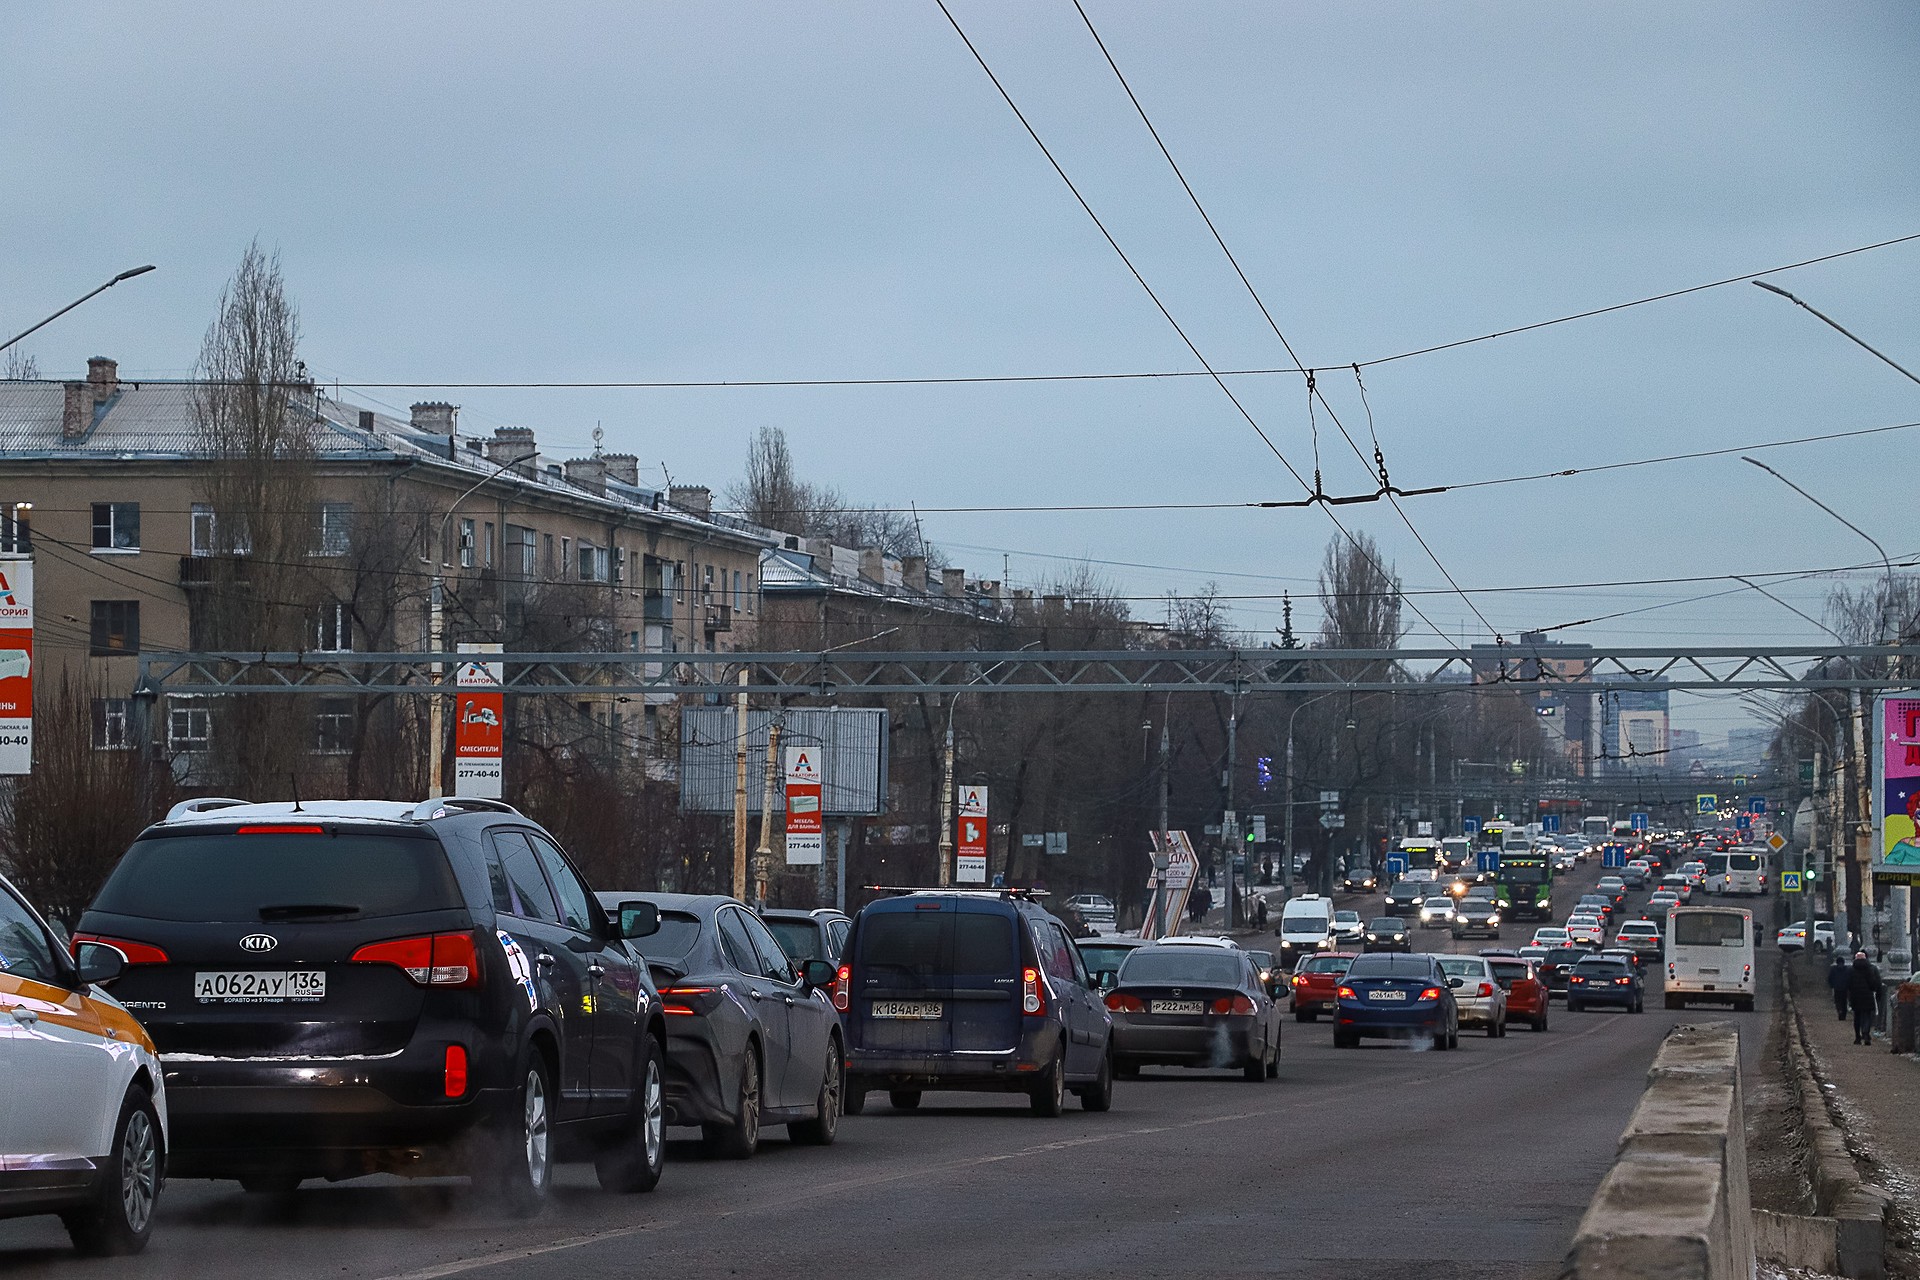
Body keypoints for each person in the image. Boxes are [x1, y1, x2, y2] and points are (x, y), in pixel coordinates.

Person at [1847, 950, 1883, 1045]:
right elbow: (1876, 983)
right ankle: (1866, 1034)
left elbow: (1848, 984)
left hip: (1855, 996)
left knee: (1857, 1016)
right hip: (1867, 995)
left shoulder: (1851, 969)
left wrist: (1849, 996)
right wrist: (1878, 993)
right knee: (1866, 1016)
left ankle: (1857, 1037)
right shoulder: (1871, 968)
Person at [1828, 951, 1854, 1022]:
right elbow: (1849, 978)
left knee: (1837, 1001)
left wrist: (1832, 985)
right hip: (1845, 988)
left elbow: (1830, 978)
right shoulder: (1847, 970)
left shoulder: (1833, 969)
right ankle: (1843, 1015)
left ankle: (1839, 1011)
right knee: (1844, 1002)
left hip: (1837, 988)